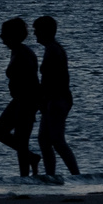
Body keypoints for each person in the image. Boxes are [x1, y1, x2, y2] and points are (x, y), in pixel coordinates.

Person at [0, 16, 41, 177]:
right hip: (19, 99)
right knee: (1, 132)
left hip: (26, 100)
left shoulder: (23, 54)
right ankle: (30, 160)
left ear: (12, 35)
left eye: (4, 33)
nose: (1, 37)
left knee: (21, 138)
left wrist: (31, 104)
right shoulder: (17, 51)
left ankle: (25, 175)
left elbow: (31, 81)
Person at [35, 15, 79, 175]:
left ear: (45, 31)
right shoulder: (53, 48)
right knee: (44, 140)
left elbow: (52, 79)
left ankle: (76, 174)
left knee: (57, 140)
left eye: (37, 30)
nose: (34, 34)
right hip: (54, 99)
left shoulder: (53, 50)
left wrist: (47, 99)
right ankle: (50, 175)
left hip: (56, 99)